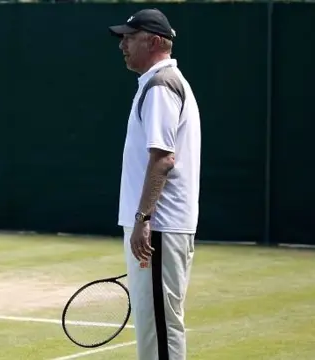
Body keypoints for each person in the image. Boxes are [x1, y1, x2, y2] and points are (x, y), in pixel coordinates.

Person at [109, 9, 201, 360]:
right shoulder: (155, 83)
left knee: (160, 328)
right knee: (154, 326)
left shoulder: (161, 85)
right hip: (158, 228)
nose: (122, 45)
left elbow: (163, 158)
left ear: (154, 41)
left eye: (129, 38)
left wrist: (144, 219)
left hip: (158, 226)